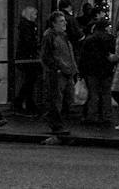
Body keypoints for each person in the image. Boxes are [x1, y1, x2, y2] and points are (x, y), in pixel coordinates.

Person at [39, 10, 77, 144]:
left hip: (66, 72)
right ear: (53, 23)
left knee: (67, 99)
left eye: (64, 20)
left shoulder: (62, 36)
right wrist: (57, 68)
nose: (64, 23)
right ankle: (57, 126)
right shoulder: (50, 36)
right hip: (58, 73)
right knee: (56, 99)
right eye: (61, 21)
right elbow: (46, 56)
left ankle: (59, 124)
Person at [77, 18, 115, 124]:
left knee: (93, 94)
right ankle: (106, 116)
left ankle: (91, 116)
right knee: (106, 93)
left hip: (91, 70)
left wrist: (81, 71)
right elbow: (113, 54)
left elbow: (83, 57)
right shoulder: (110, 38)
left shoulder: (89, 40)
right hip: (106, 70)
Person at [13, 6, 39, 115]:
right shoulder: (28, 27)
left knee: (29, 81)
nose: (36, 17)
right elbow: (28, 42)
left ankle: (26, 103)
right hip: (28, 57)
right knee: (29, 81)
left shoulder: (26, 26)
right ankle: (24, 103)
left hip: (26, 56)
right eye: (34, 14)